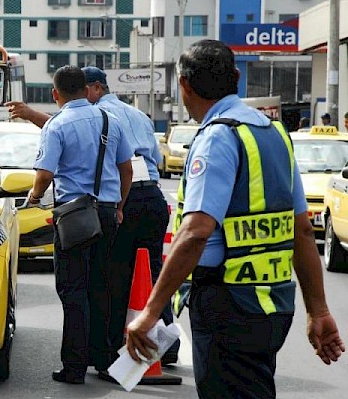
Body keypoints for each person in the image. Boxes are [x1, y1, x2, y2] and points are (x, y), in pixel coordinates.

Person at [126, 39, 344, 399]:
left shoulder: (218, 138)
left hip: (227, 305)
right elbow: (303, 231)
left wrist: (150, 313)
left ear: (184, 84)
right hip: (274, 304)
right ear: (237, 77)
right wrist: (318, 311)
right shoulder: (274, 134)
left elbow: (195, 232)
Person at [25, 65, 134, 384]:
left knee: (73, 290)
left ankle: (74, 366)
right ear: (86, 90)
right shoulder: (109, 120)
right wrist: (119, 206)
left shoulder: (57, 124)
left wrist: (33, 197)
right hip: (107, 212)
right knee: (102, 288)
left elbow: (44, 174)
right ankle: (103, 360)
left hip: (74, 215)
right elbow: (126, 169)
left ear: (55, 94)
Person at [81, 66, 179, 374]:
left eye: (83, 91)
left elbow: (120, 165)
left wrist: (118, 206)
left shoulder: (99, 115)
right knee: (153, 276)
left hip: (127, 197)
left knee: (116, 277)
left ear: (96, 88)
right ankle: (167, 346)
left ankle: (109, 351)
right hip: (153, 197)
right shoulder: (137, 115)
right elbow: (150, 156)